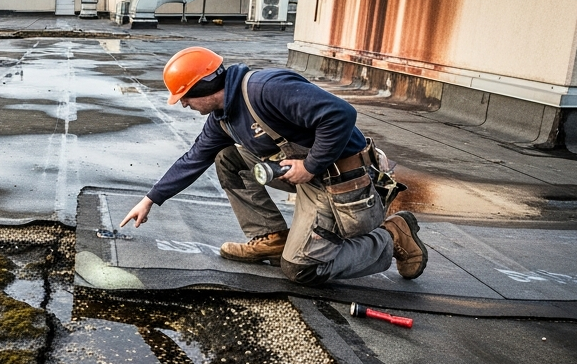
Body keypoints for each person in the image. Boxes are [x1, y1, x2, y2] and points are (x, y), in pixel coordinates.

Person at [119, 46, 428, 285]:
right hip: (305, 176)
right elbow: (194, 158)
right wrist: (150, 199)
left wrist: (310, 165)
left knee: (301, 269)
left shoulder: (266, 88)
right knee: (228, 159)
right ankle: (272, 237)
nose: (184, 104)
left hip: (340, 179)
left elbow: (341, 115)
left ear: (202, 87)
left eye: (185, 97)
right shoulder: (222, 120)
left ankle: (391, 236)